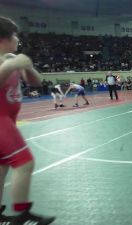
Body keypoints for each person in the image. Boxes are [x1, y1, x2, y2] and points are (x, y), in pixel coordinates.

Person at [0, 16, 55, 224]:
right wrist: (9, 66)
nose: (17, 39)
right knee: (24, 162)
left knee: (2, 166)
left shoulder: (11, 59)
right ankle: (22, 215)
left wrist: (28, 67)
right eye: (14, 35)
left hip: (8, 119)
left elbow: (36, 82)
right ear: (3, 38)